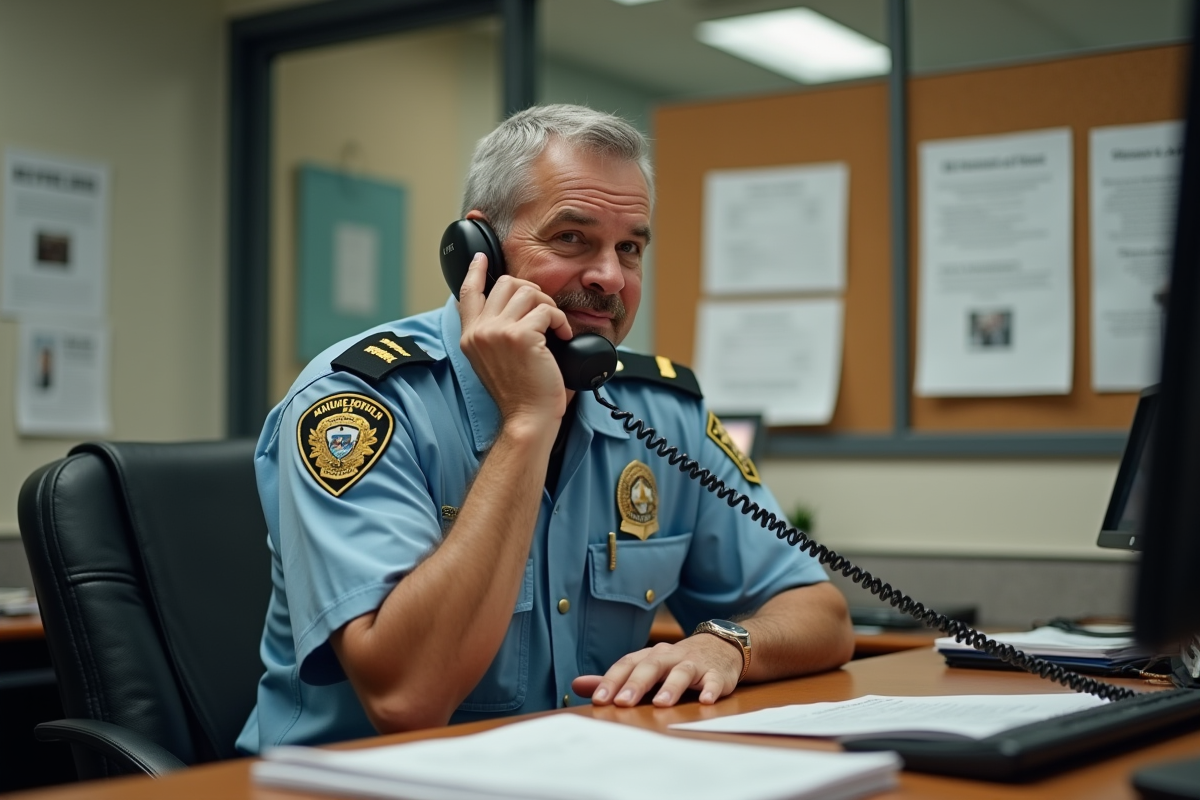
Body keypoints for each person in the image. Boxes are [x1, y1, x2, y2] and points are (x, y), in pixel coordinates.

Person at [236, 104, 854, 753]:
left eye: (629, 248)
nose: (610, 276)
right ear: (476, 251)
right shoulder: (359, 403)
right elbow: (406, 697)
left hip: (577, 771)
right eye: (571, 238)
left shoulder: (661, 410)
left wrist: (727, 645)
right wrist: (527, 424)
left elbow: (821, 614)